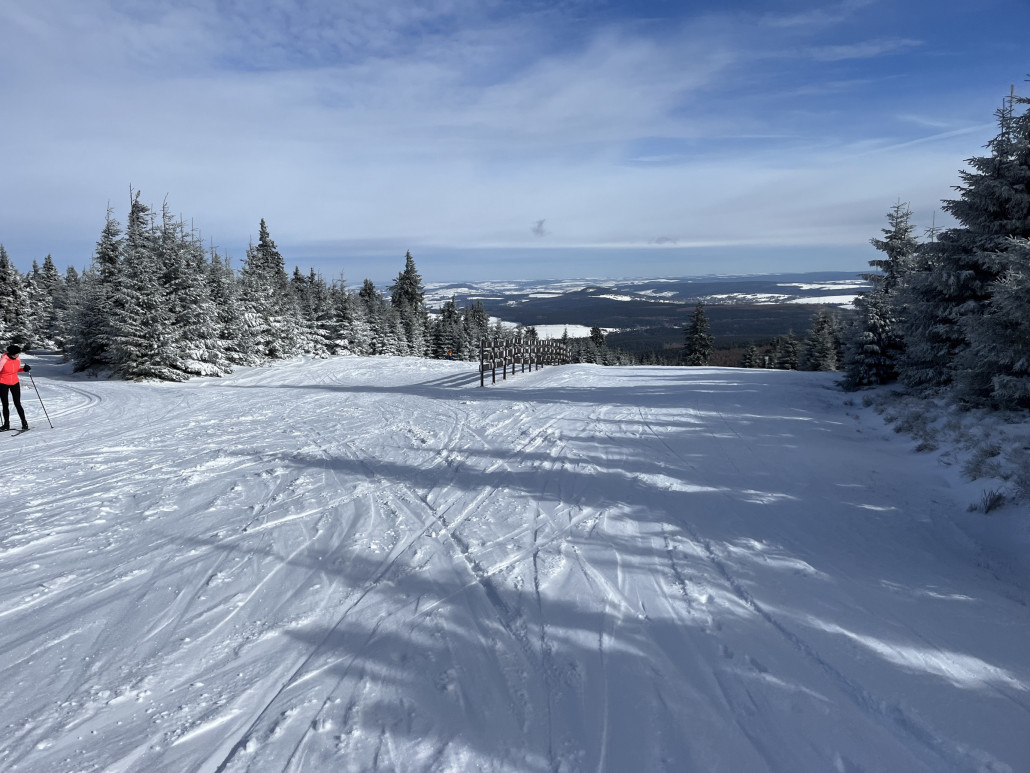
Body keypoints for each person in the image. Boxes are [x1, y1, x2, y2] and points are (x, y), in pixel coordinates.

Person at [0, 344, 31, 431]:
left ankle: (24, 423)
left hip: (14, 382)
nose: (19, 354)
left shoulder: (17, 359)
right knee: (5, 404)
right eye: (18, 353)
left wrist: (24, 369)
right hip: (3, 383)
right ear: (13, 353)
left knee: (17, 403)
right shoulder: (3, 360)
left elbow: (16, 370)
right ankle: (6, 424)